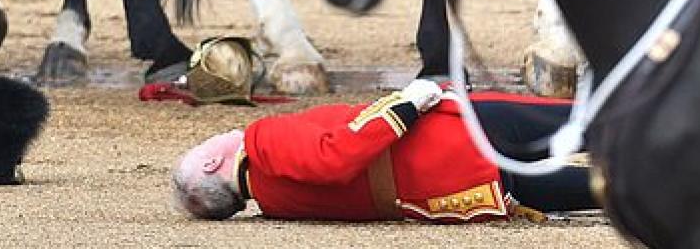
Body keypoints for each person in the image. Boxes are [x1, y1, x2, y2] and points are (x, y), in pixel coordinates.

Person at [171, 82, 593, 223]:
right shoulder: (260, 142)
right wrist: (408, 103)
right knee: (594, 120)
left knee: (609, 187)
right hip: (454, 140)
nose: (216, 135)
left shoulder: (275, 204)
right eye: (204, 144)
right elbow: (334, 159)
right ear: (211, 162)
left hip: (457, 189)